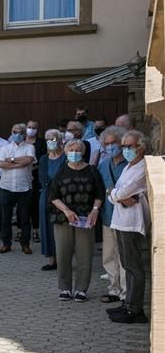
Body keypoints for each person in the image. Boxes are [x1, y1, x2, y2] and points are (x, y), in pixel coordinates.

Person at [48, 140, 105, 302]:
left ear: (83, 151)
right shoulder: (62, 171)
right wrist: (66, 210)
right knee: (63, 254)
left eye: (78, 149)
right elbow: (53, 196)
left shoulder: (92, 170)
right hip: (63, 219)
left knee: (85, 255)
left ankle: (81, 289)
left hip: (86, 219)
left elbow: (100, 193)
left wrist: (95, 210)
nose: (74, 152)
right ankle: (65, 288)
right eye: (71, 149)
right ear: (66, 152)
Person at [107, 130, 151, 323]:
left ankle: (135, 309)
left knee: (134, 266)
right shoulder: (127, 167)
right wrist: (118, 196)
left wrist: (117, 195)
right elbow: (113, 193)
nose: (125, 150)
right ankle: (128, 303)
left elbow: (123, 191)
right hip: (120, 220)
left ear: (140, 147)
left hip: (132, 223)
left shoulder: (142, 167)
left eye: (129, 146)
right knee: (126, 264)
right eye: (123, 146)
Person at [97, 126, 128, 303]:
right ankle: (114, 289)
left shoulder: (131, 164)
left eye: (114, 143)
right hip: (108, 216)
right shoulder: (103, 164)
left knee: (124, 257)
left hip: (126, 217)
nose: (110, 147)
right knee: (109, 255)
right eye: (107, 144)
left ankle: (126, 293)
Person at [0, 123, 35, 254]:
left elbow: (28, 160)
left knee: (24, 218)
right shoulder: (4, 148)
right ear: (11, 133)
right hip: (6, 186)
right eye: (14, 132)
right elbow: (1, 163)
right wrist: (18, 163)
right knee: (5, 218)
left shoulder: (30, 147)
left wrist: (11, 160)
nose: (17, 135)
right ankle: (6, 244)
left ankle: (25, 244)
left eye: (20, 132)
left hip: (24, 187)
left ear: (24, 134)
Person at [38, 129, 65, 271]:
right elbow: (42, 178)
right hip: (46, 196)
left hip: (63, 197)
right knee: (46, 227)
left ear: (60, 141)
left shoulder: (66, 157)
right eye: (48, 139)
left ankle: (62, 259)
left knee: (61, 228)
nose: (51, 142)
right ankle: (51, 260)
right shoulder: (43, 159)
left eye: (53, 139)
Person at [25, 120, 46, 244]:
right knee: (22, 205)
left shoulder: (41, 143)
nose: (31, 129)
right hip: (22, 177)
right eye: (29, 127)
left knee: (34, 205)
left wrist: (30, 167)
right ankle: (21, 230)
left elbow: (42, 160)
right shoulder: (21, 142)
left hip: (36, 177)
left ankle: (35, 231)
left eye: (34, 127)